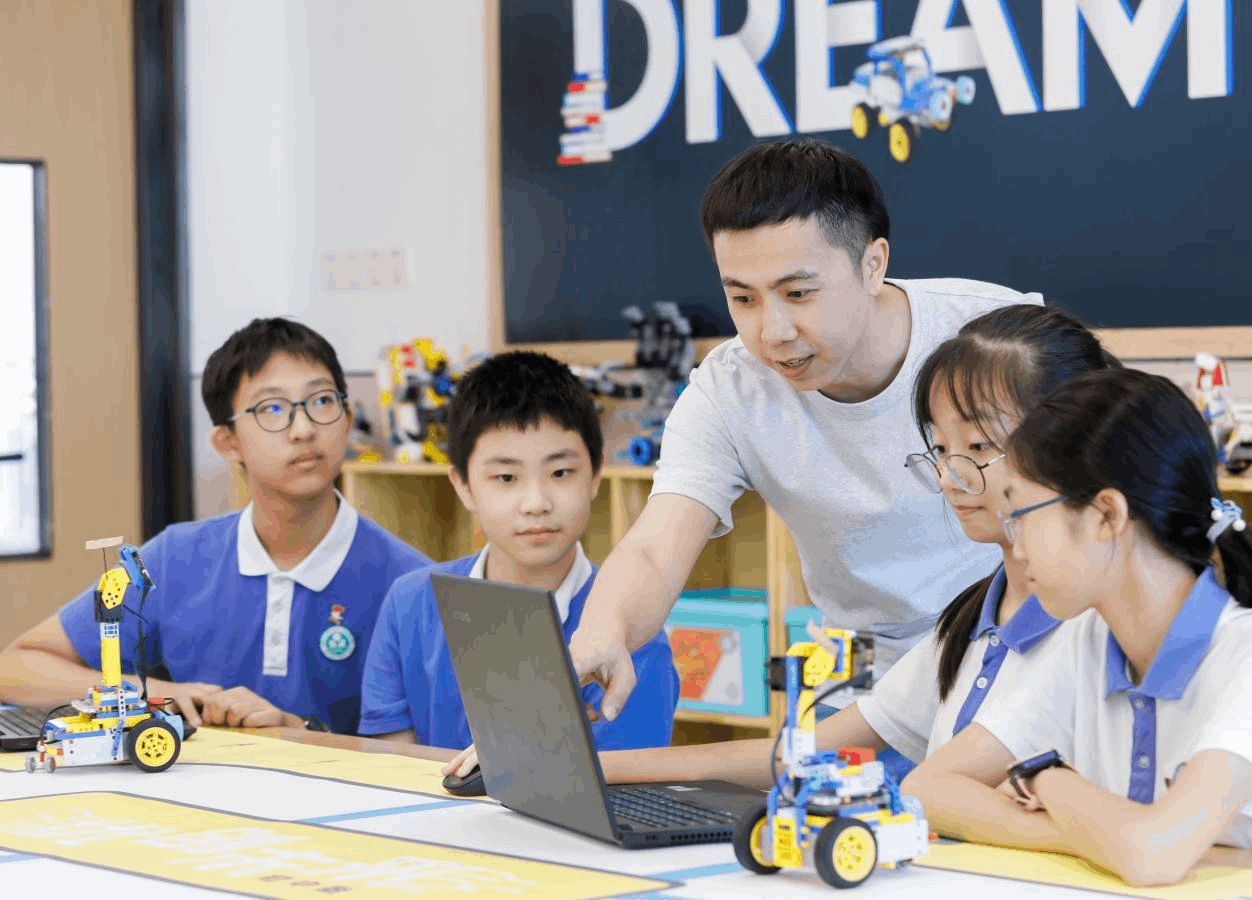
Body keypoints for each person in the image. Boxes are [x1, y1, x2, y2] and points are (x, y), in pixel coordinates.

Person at [445, 305, 1118, 786]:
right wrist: (581, 767)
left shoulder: (1096, 629)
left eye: (979, 446)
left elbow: (937, 790)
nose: (950, 477)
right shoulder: (966, 625)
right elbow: (798, 754)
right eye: (939, 449)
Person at [569, 138, 1043, 724]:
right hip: (865, 678)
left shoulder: (996, 336)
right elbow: (654, 545)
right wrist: (603, 630)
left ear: (873, 264)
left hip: (1019, 652)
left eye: (798, 293)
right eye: (742, 298)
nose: (773, 332)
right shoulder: (729, 389)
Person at [901, 368, 1252, 884]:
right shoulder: (1084, 643)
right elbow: (926, 790)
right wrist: (1086, 834)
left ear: (1105, 515)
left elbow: (1154, 854)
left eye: (1021, 515)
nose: (1015, 547)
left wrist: (1049, 781)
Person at [0, 318, 431, 733]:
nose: (303, 429)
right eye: (272, 408)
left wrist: (297, 729)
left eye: (321, 401)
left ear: (348, 419)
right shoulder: (175, 557)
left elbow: (431, 752)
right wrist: (154, 693)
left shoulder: (411, 583)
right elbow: (18, 667)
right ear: (228, 442)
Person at [360, 351, 678, 751]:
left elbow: (621, 784)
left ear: (595, 475)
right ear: (463, 485)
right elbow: (391, 766)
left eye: (560, 473)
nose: (536, 503)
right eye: (506, 477)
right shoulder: (409, 604)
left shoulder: (633, 637)